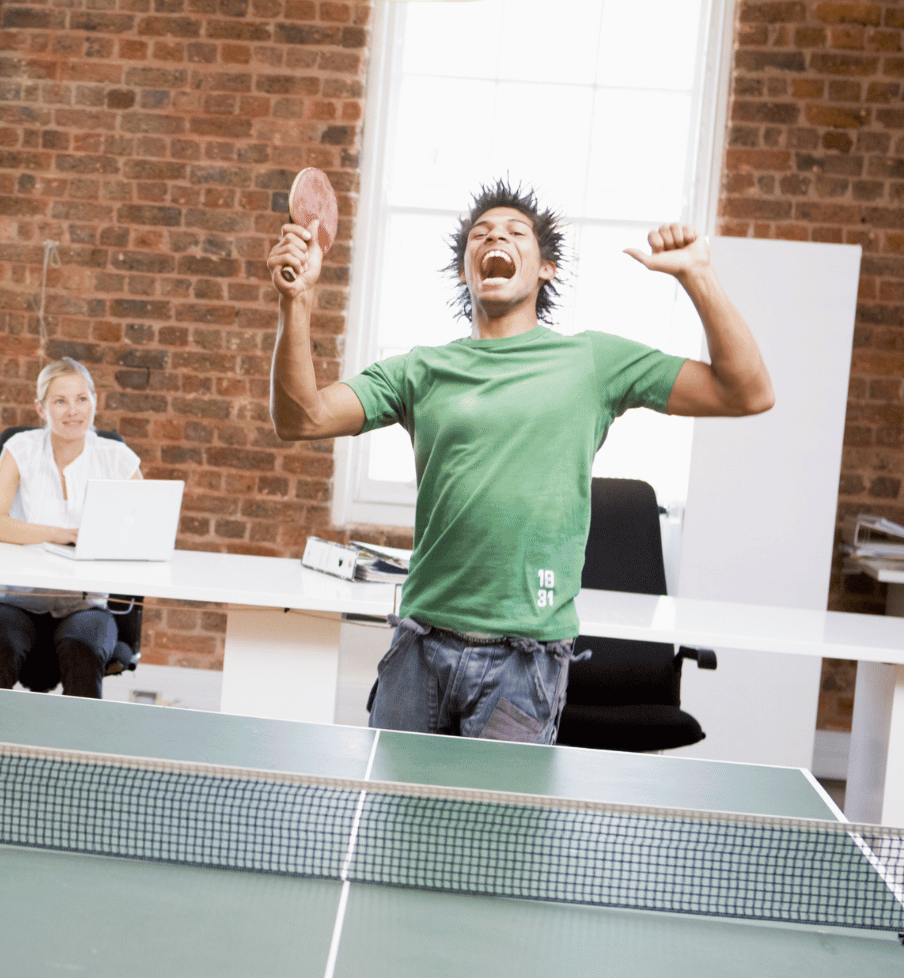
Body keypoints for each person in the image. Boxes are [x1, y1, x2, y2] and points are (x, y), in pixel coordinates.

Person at [267, 179, 773, 743]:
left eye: (514, 232)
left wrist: (697, 277)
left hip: (524, 662)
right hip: (419, 646)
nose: (495, 238)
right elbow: (301, 419)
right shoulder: (421, 370)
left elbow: (746, 392)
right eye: (480, 235)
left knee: (500, 831)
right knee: (394, 821)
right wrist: (298, 300)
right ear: (466, 272)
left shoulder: (592, 362)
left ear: (546, 268)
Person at [0, 359, 141, 698]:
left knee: (84, 648)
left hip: (85, 603)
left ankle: (76, 752)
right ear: (41, 407)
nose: (73, 411)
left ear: (95, 401)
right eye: (60, 401)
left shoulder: (116, 457)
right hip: (15, 598)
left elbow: (143, 530)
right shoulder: (20, 447)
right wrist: (58, 534)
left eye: (82, 399)